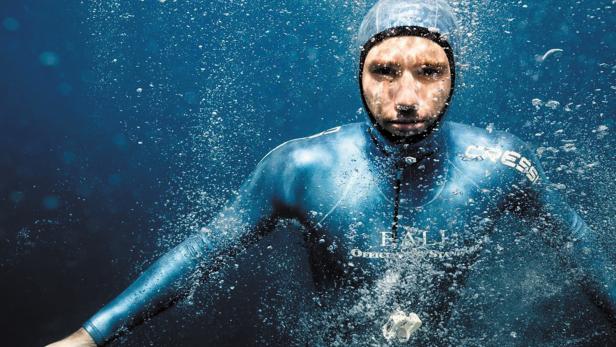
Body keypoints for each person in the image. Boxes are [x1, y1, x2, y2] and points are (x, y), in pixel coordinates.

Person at [48, 0, 616, 345]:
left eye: (430, 71)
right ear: (359, 74)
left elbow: (579, 243)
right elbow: (205, 249)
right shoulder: (301, 168)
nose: (408, 98)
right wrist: (91, 334)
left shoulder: (501, 165)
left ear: (454, 77)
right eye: (385, 71)